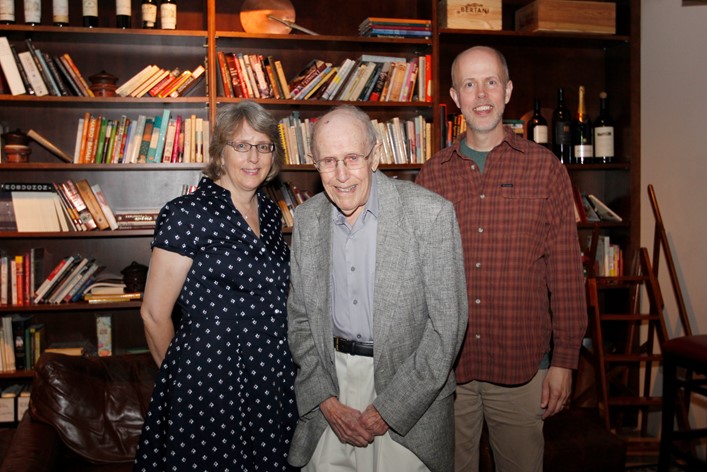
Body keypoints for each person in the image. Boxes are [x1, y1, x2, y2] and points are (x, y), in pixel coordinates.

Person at [416, 46, 588, 472]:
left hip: (521, 366)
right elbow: (416, 276)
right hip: (447, 373)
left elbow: (565, 273)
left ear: (508, 90)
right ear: (456, 97)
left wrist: (565, 361)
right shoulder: (432, 174)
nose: (481, 94)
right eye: (469, 84)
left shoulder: (545, 169)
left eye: (490, 81)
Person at [286, 105, 468, 472]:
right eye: (328, 161)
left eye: (352, 158)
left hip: (408, 395)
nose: (340, 176)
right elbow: (300, 321)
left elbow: (446, 330)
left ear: (376, 156)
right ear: (314, 163)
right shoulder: (306, 220)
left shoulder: (430, 214)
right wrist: (325, 400)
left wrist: (389, 410)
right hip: (331, 389)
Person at [134, 101, 297, 471]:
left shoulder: (272, 214)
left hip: (271, 381)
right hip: (208, 387)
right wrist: (186, 381)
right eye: (241, 145)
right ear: (220, 151)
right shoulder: (186, 214)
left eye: (264, 145)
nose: (253, 156)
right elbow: (153, 314)